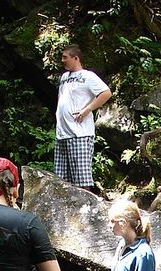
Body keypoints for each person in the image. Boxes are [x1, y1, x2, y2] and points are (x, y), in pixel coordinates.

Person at [55, 44, 112, 191]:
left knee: (81, 179)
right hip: (62, 134)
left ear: (76, 58)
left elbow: (106, 93)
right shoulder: (64, 77)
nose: (62, 60)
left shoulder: (88, 76)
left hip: (79, 133)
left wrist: (88, 109)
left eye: (65, 57)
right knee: (62, 180)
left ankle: (85, 209)